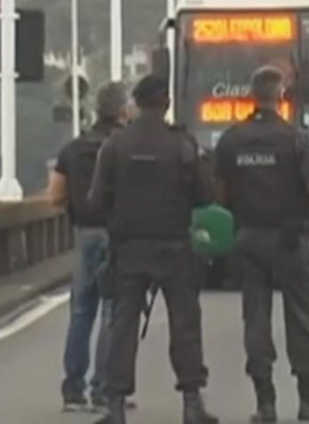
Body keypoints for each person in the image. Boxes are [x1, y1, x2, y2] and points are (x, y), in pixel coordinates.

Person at [88, 75, 217, 424]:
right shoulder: (183, 144)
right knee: (185, 323)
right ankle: (191, 402)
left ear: (137, 103)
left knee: (122, 324)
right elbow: (206, 195)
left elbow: (95, 201)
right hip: (174, 246)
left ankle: (115, 404)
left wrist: (120, 220)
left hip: (128, 247)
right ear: (166, 102)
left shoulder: (114, 145)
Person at [213, 66, 309, 422]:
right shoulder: (294, 138)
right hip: (289, 239)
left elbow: (219, 195)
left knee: (255, 318)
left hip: (249, 238)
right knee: (301, 316)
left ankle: (265, 403)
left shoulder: (231, 139)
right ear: (281, 96)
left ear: (252, 95)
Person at [49, 82, 131, 412]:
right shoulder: (124, 147)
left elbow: (54, 195)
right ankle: (103, 388)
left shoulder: (73, 148)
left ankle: (73, 389)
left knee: (81, 311)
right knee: (113, 312)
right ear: (123, 111)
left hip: (84, 234)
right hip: (116, 235)